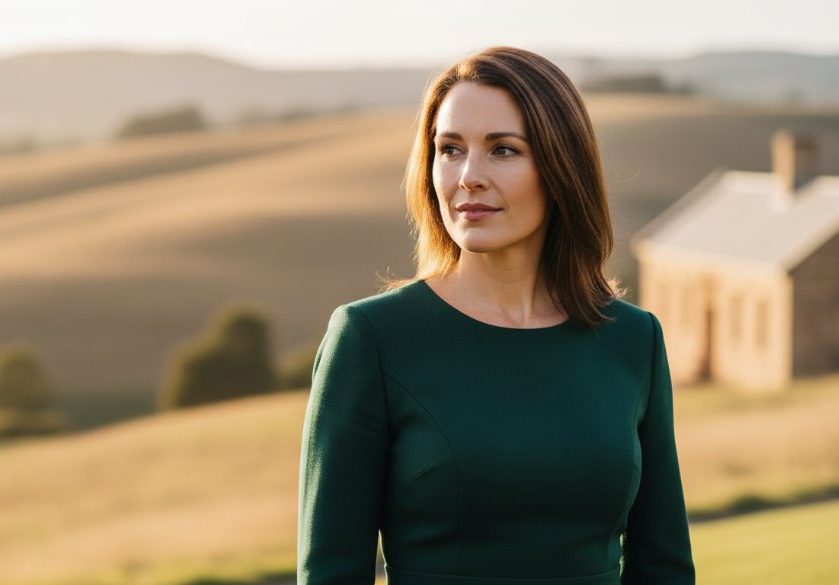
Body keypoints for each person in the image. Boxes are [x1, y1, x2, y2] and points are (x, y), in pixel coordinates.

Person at [297, 46, 695, 585]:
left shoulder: (632, 339)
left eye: (503, 150)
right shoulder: (371, 339)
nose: (469, 176)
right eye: (450, 149)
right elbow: (331, 572)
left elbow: (665, 566)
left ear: (561, 167)